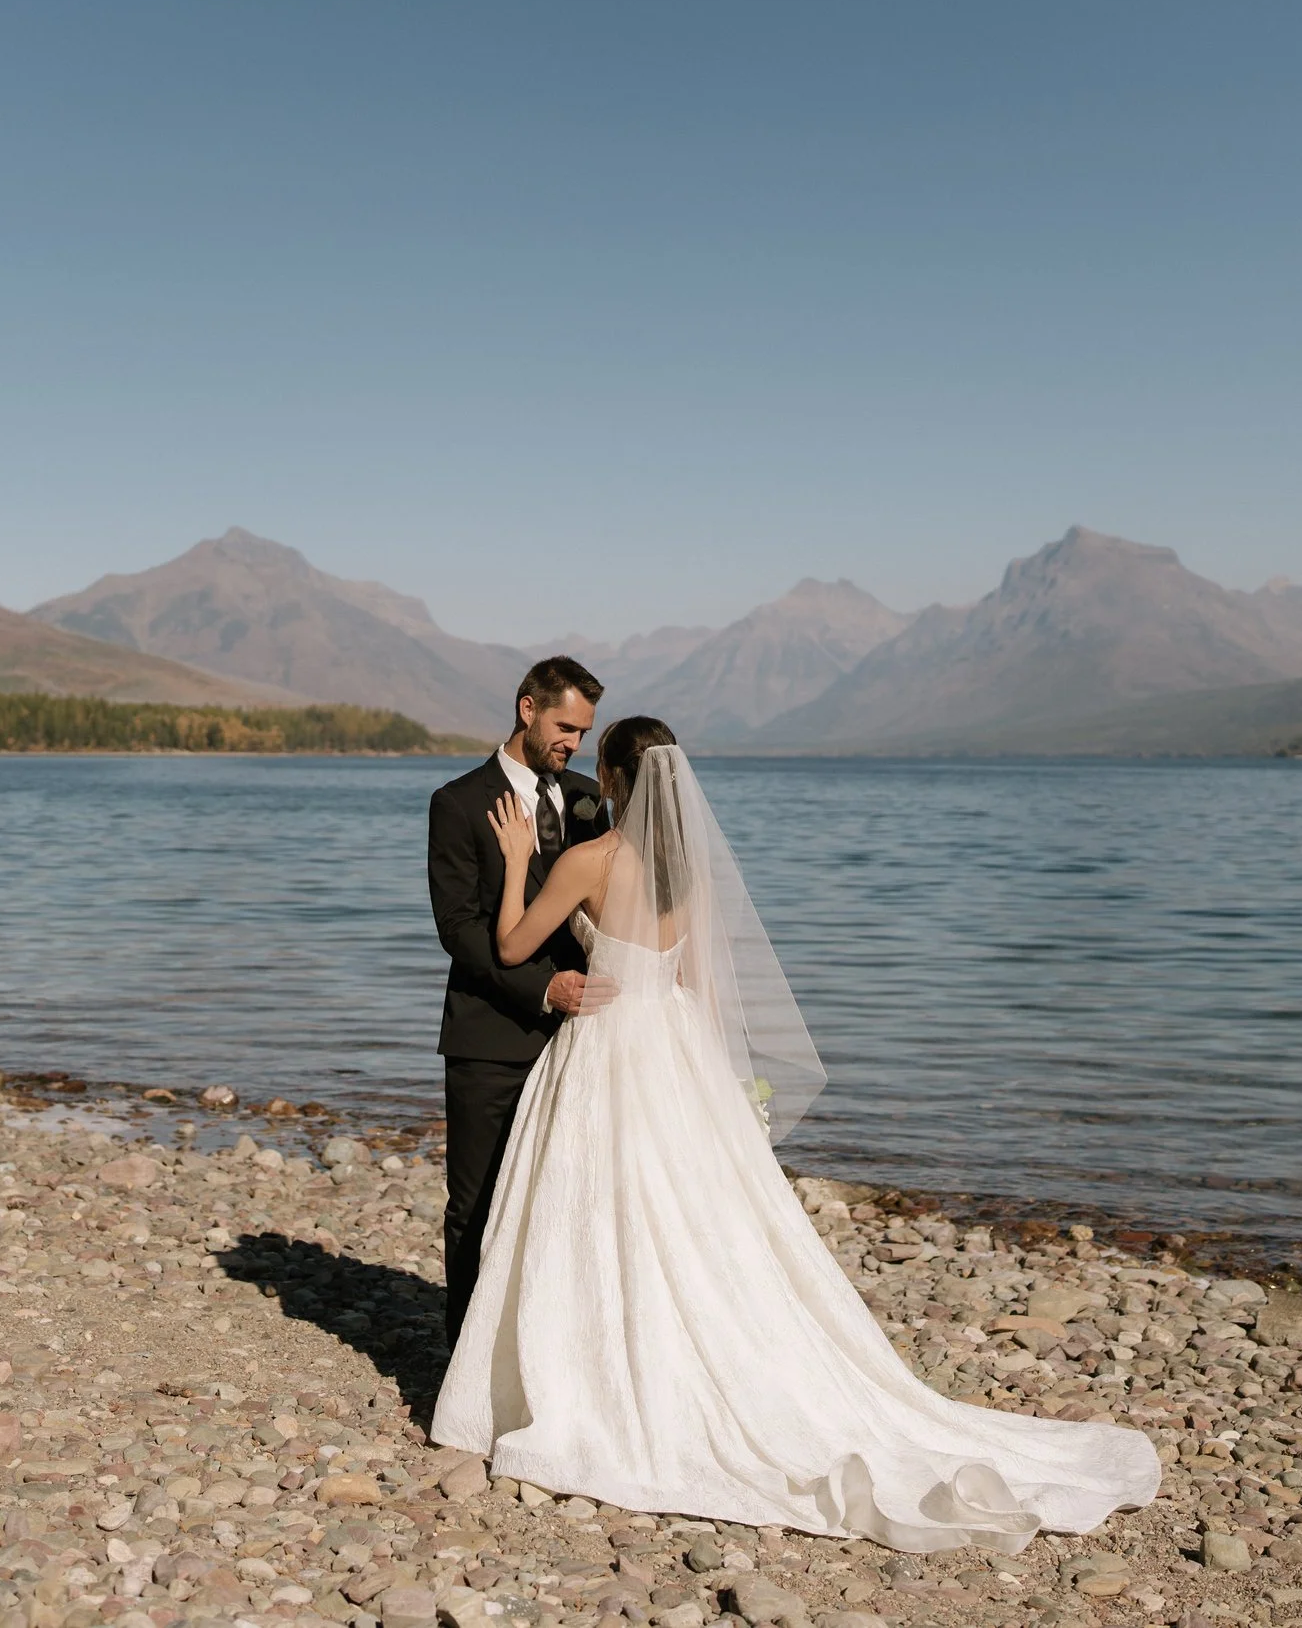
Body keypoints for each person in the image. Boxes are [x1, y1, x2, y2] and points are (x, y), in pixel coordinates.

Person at [430, 717, 1159, 1551]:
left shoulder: (589, 861)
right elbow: (701, 992)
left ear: (615, 777)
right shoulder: (687, 875)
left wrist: (521, 861)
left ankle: (596, 1366)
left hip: (607, 1041)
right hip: (672, 1046)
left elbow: (513, 940)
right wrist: (717, 1094)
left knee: (600, 1208)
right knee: (693, 1218)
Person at [425, 656, 614, 1344]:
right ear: (527, 709)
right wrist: (543, 987)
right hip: (490, 1038)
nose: (574, 743)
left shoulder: (593, 799)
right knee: (475, 1206)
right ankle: (462, 1366)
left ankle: (541, 1354)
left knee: (560, 1204)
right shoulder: (458, 802)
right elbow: (460, 932)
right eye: (565, 726)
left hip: (583, 1041)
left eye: (585, 732)